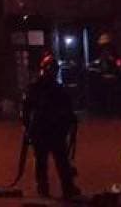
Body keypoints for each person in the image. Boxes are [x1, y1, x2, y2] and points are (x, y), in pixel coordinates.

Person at [20, 51, 81, 199]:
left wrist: (28, 128)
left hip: (51, 131)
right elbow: (26, 110)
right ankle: (50, 189)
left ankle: (59, 189)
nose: (53, 72)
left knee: (57, 162)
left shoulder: (51, 89)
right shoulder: (39, 88)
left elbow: (68, 111)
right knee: (50, 162)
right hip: (46, 131)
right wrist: (28, 128)